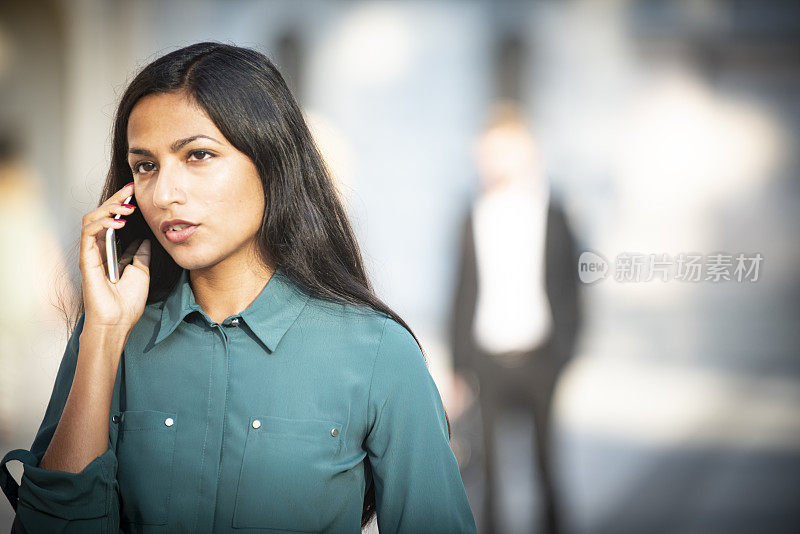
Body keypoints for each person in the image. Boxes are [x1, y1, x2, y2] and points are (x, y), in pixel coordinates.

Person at [0, 42, 477, 534]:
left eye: (198, 155)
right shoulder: (111, 335)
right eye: (145, 166)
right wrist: (101, 338)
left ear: (272, 161)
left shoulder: (378, 352)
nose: (165, 194)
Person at [448, 102, 581, 534]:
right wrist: (458, 365)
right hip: (487, 357)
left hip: (541, 355)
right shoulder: (471, 213)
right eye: (488, 151)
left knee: (546, 464)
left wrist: (565, 352)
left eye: (504, 150)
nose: (494, 160)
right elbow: (461, 289)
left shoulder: (553, 210)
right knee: (486, 472)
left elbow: (572, 284)